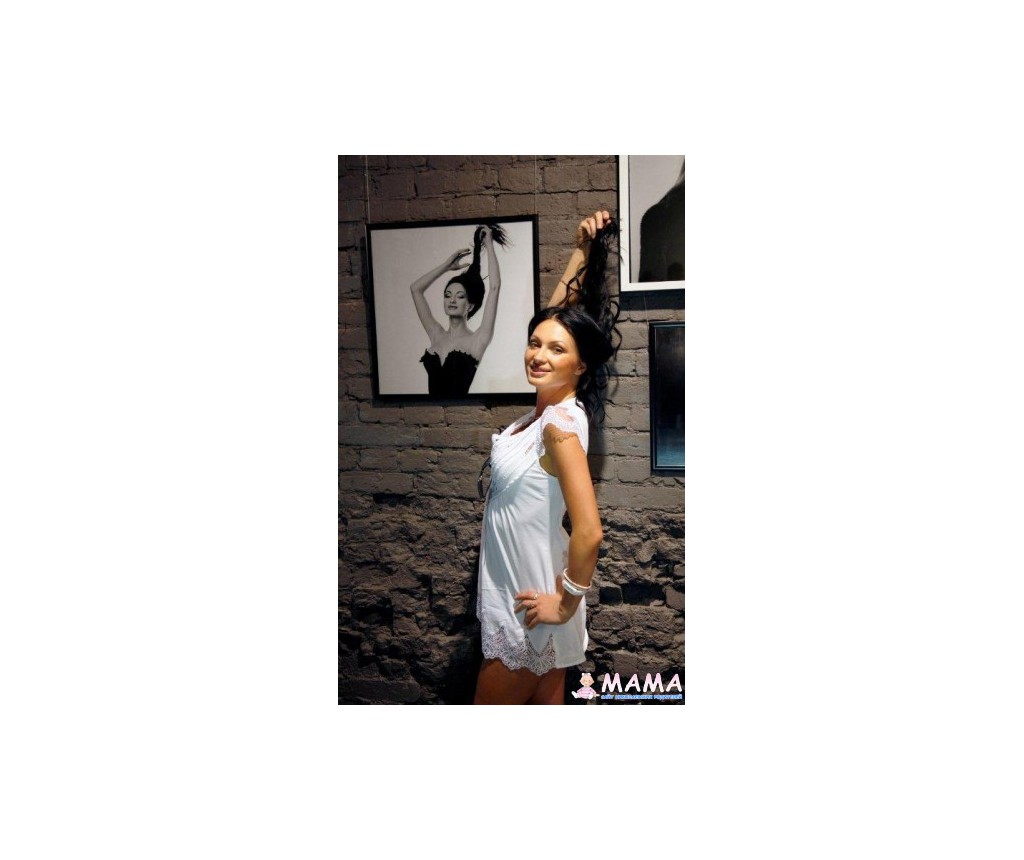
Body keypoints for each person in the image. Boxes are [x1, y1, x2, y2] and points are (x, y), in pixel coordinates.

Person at [474, 210, 618, 705]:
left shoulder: (558, 425)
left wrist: (566, 603)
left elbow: (590, 530)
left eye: (556, 350)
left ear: (580, 365)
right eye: (534, 344)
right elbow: (554, 319)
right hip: (531, 600)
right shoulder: (543, 413)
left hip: (528, 611)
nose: (539, 355)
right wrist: (581, 249)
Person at [410, 223, 507, 397]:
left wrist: (489, 244)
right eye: (448, 295)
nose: (452, 300)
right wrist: (446, 266)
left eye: (460, 296)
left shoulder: (478, 339)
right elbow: (415, 289)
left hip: (461, 411)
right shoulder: (436, 334)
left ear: (470, 305)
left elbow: (494, 287)